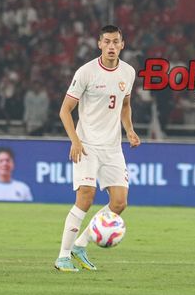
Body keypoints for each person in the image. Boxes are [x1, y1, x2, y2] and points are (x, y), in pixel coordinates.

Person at [55, 25, 140, 272]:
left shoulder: (129, 72)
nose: (112, 46)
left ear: (122, 45)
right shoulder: (86, 72)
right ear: (99, 44)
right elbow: (64, 110)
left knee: (119, 202)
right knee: (86, 195)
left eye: (116, 42)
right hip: (87, 145)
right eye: (107, 42)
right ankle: (62, 257)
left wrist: (130, 129)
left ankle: (80, 245)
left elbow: (125, 105)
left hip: (113, 147)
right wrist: (75, 140)